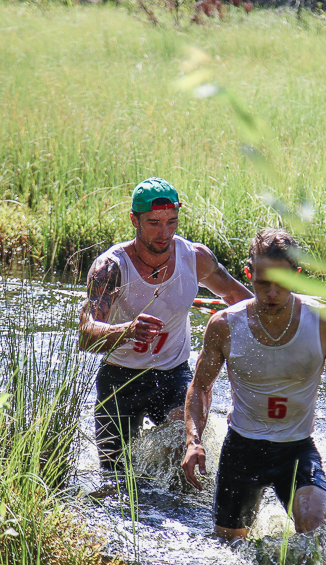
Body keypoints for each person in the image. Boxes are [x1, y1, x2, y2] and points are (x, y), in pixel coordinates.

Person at [182, 228, 326, 539]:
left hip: (296, 450)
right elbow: (200, 387)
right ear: (248, 275)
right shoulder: (225, 325)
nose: (272, 294)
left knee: (313, 530)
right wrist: (193, 441)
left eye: (282, 285)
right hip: (241, 449)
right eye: (262, 284)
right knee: (228, 552)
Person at [78, 178, 252, 474]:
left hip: (174, 376)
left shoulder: (195, 257)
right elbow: (86, 336)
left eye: (172, 222)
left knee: (180, 457)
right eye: (154, 223)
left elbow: (238, 298)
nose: (164, 233)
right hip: (120, 379)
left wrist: (289, 320)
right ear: (134, 220)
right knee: (116, 475)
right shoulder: (110, 268)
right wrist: (127, 331)